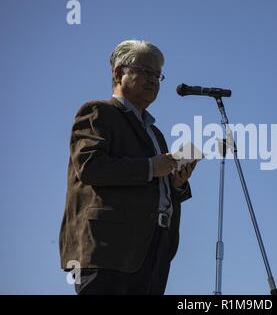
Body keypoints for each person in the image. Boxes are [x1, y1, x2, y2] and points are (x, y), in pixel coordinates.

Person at [59, 40, 196, 295]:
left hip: (152, 250)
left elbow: (154, 181)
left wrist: (176, 184)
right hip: (109, 249)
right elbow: (90, 167)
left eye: (158, 75)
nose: (153, 80)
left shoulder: (155, 132)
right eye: (146, 71)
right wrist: (149, 167)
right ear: (119, 73)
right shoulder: (98, 112)